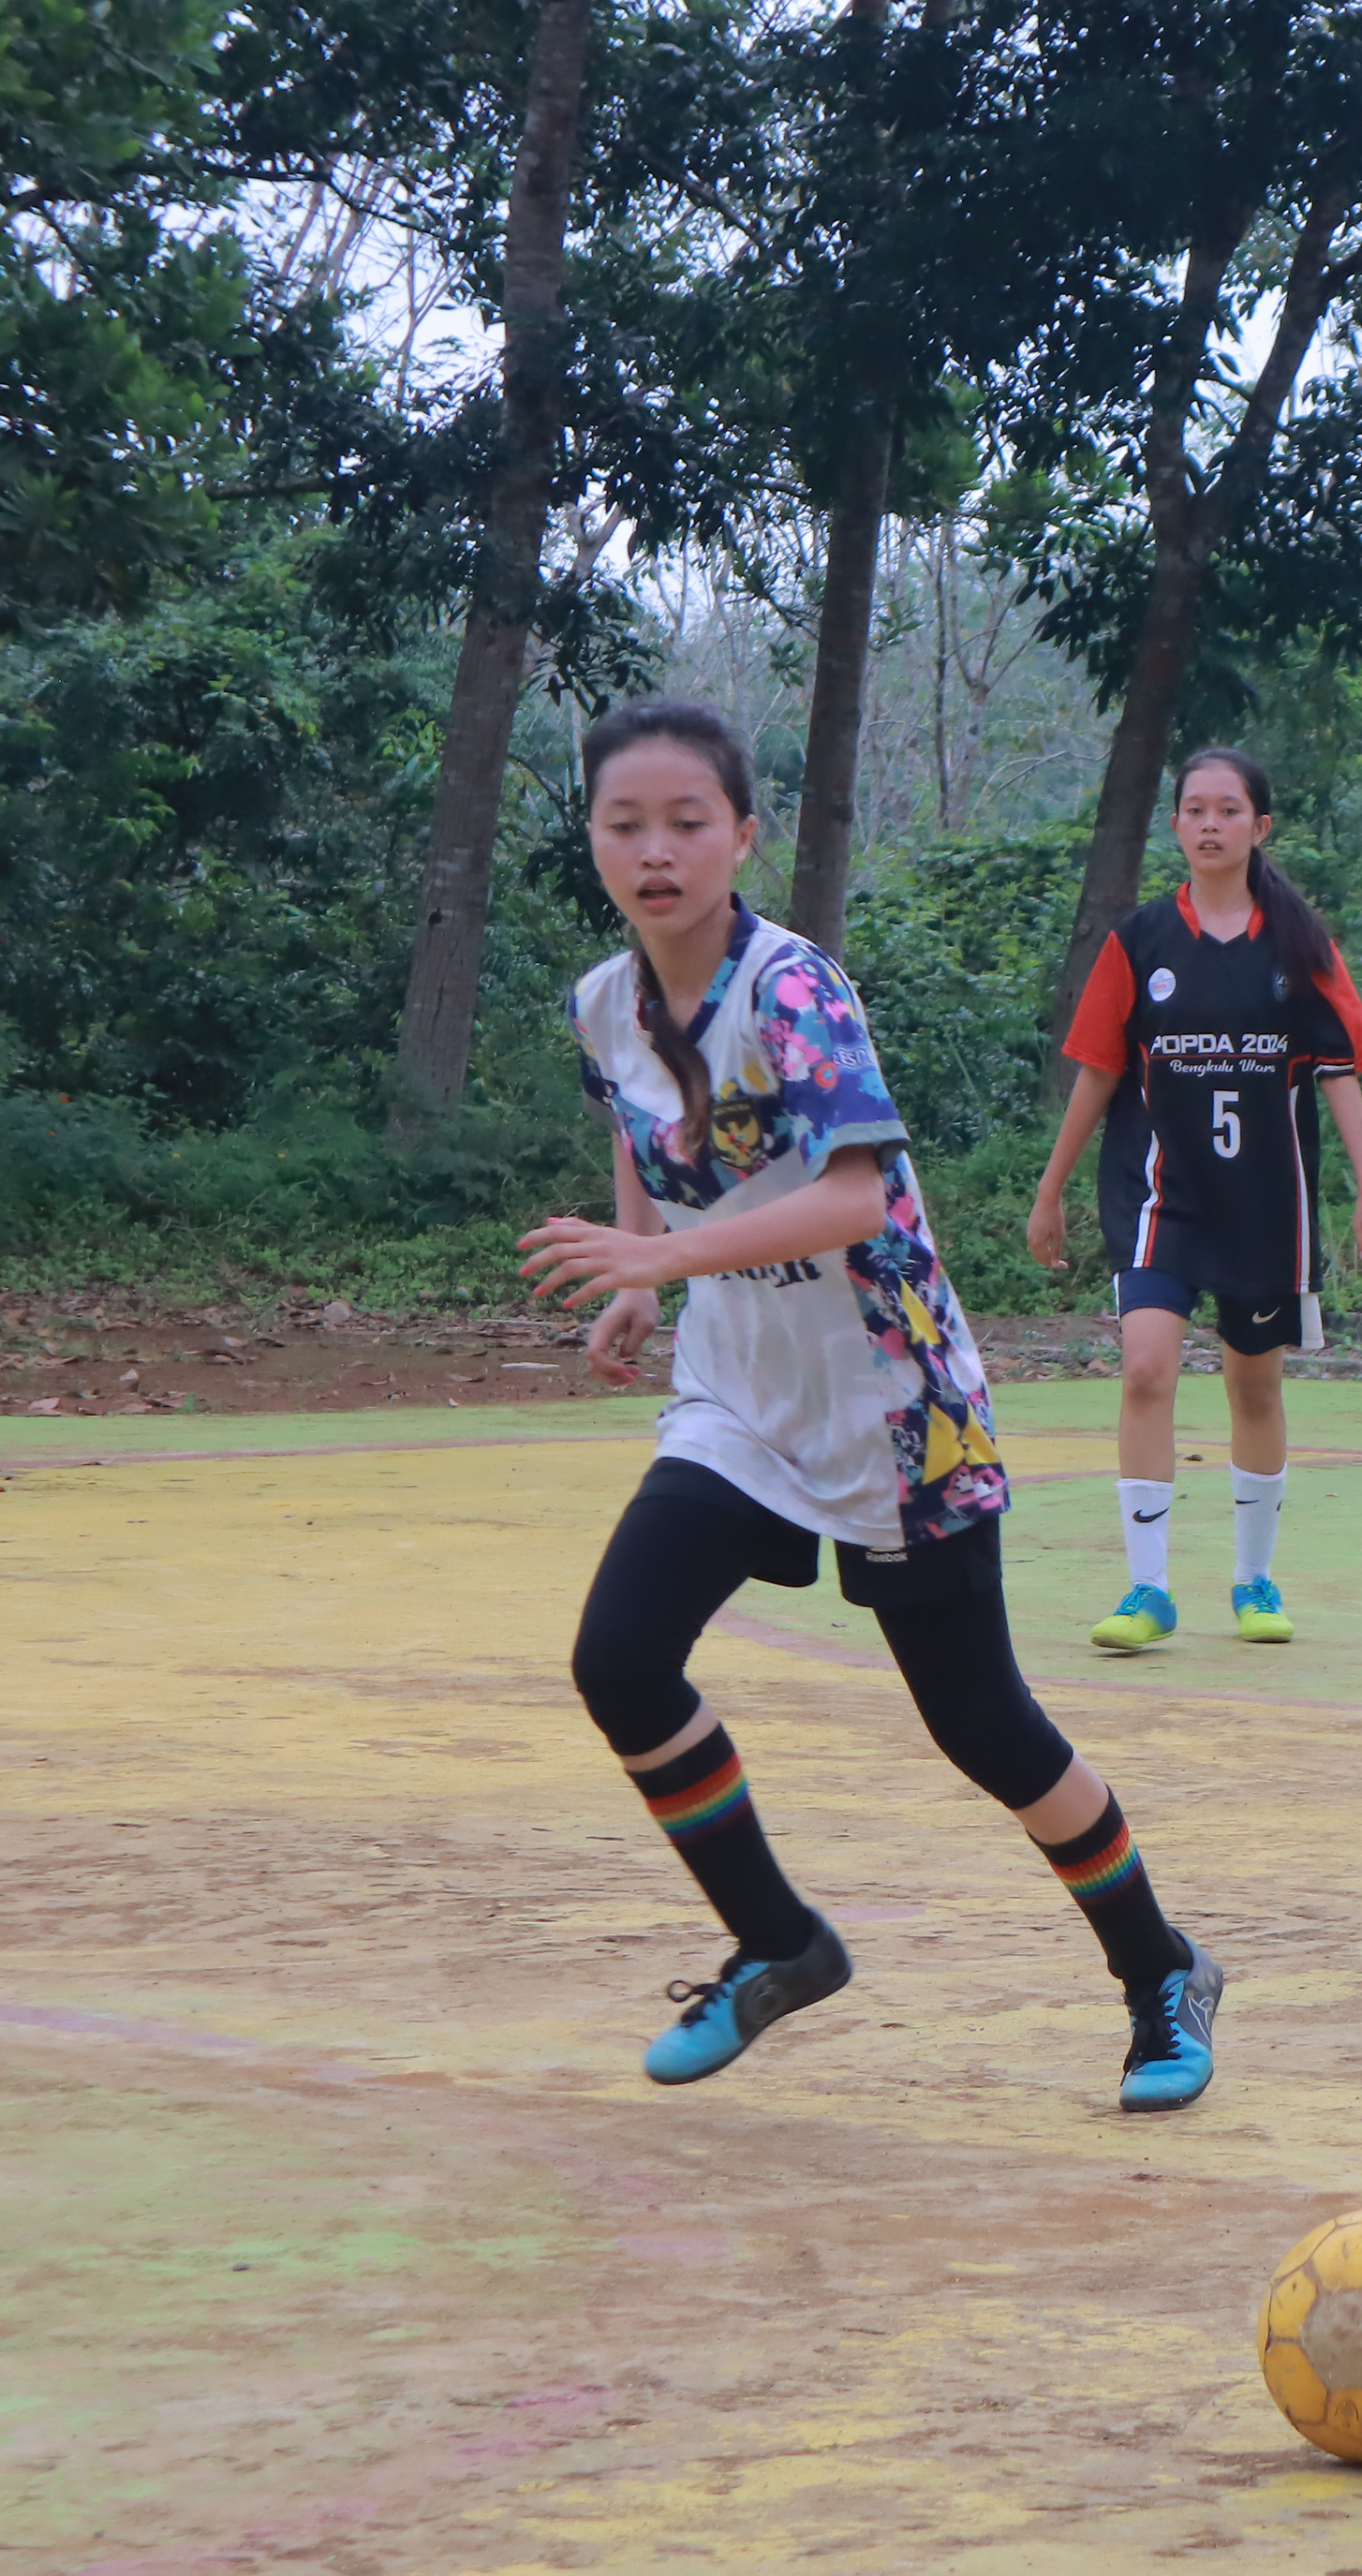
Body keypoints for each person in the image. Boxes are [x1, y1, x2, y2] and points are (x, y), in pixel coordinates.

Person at [521, 698, 1228, 2105]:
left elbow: (852, 1194)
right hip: (740, 1402)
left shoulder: (795, 989)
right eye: (624, 824)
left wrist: (662, 1250)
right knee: (619, 1661)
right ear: (592, 837)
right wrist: (639, 1286)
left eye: (687, 822)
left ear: (743, 836)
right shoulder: (604, 1000)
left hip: (896, 1400)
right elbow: (642, 1138)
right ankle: (778, 1943)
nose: (655, 851)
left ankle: (1160, 1967)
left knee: (983, 1726)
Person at [1023, 748, 1362, 1653]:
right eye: (1194, 809)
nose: (1210, 824)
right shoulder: (1139, 941)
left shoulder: (1298, 944)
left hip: (1264, 1201)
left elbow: (1341, 1072)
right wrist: (1051, 1189)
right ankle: (1148, 1590)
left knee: (1253, 1383)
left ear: (1259, 827)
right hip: (1160, 1195)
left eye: (1229, 810)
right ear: (1177, 825)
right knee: (1146, 1367)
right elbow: (1098, 1069)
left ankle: (1254, 1579)